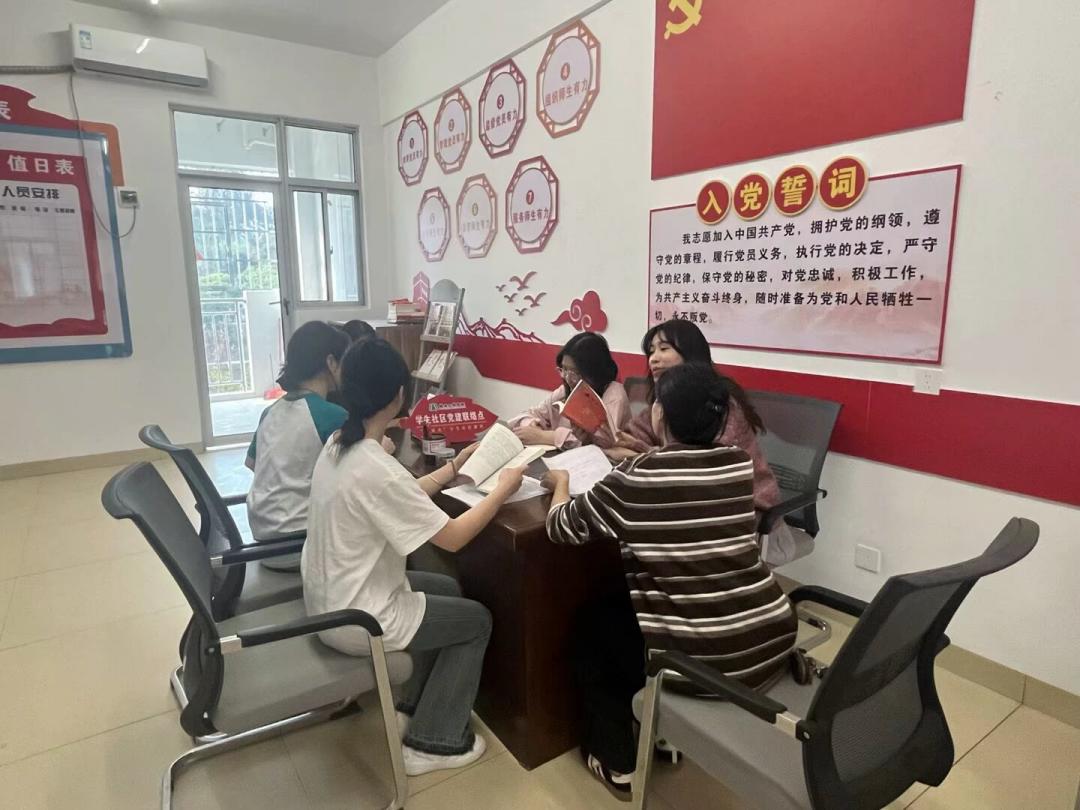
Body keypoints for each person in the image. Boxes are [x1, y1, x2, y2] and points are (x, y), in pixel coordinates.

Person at [542, 362, 799, 798]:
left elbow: (561, 527)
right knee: (628, 612)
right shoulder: (736, 465)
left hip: (709, 667)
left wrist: (561, 482)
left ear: (659, 414)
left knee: (593, 629)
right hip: (772, 640)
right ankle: (661, 738)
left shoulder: (637, 478)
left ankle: (617, 760)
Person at [302, 338, 527, 775]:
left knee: (443, 587)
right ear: (398, 395)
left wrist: (454, 467)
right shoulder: (376, 467)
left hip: (330, 599)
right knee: (477, 621)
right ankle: (434, 741)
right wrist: (502, 491)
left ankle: (414, 703)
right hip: (359, 618)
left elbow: (398, 498)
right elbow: (454, 538)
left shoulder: (338, 444)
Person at [609, 320, 800, 563]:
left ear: (691, 354)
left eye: (664, 349)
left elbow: (705, 468)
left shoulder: (720, 404)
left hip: (743, 509)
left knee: (639, 532)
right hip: (694, 500)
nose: (654, 359)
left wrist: (642, 452)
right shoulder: (664, 401)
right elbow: (633, 436)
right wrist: (618, 440)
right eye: (651, 351)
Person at [245, 321, 352, 570]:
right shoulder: (331, 415)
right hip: (300, 544)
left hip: (264, 540)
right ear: (331, 362)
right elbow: (359, 472)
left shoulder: (270, 412)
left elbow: (252, 464)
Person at [509, 332, 631, 450]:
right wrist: (531, 424)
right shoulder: (566, 389)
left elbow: (603, 443)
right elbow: (531, 413)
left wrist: (544, 436)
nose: (567, 378)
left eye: (575, 372)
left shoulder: (614, 394)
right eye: (564, 369)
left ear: (594, 371)